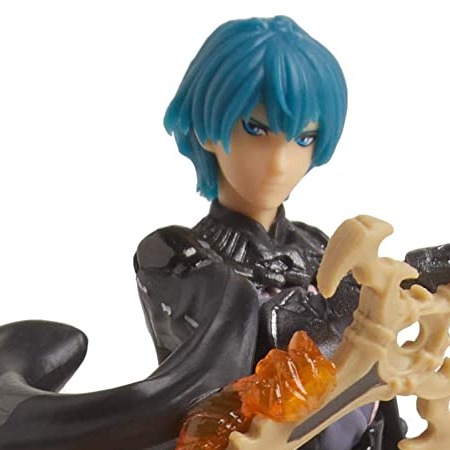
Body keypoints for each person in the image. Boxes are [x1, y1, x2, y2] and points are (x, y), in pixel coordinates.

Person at [0, 15, 448, 450]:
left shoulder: (316, 246)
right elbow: (228, 367)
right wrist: (366, 309)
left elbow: (375, 374)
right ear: (207, 130)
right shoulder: (175, 254)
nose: (280, 162)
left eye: (304, 138)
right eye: (256, 129)